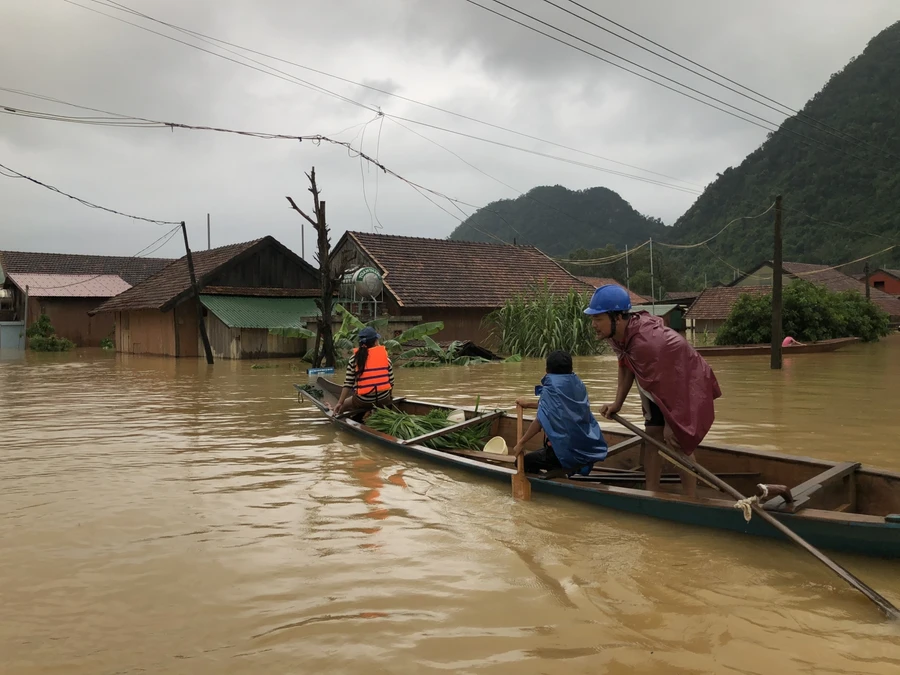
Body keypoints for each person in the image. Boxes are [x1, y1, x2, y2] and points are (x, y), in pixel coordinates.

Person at [585, 285, 721, 498]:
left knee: (677, 442)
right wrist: (617, 403)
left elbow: (671, 385)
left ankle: (692, 498)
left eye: (598, 318)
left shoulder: (647, 344)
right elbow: (626, 363)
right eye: (592, 319)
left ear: (618, 317)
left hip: (684, 383)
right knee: (652, 439)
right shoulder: (617, 336)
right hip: (658, 384)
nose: (593, 325)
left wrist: (671, 423)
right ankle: (651, 494)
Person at [512, 350, 608, 477]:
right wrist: (528, 404)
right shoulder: (578, 385)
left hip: (563, 453)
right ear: (571, 368)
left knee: (523, 463)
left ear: (547, 370)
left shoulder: (550, 389)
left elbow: (539, 421)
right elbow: (558, 407)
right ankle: (558, 474)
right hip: (586, 450)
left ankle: (550, 478)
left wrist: (521, 443)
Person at [333, 326, 394, 416]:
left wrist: (340, 402)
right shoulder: (386, 358)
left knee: (344, 405)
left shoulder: (354, 359)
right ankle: (371, 412)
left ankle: (338, 415)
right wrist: (389, 397)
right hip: (383, 399)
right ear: (376, 342)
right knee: (382, 398)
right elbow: (391, 382)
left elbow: (348, 384)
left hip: (363, 401)